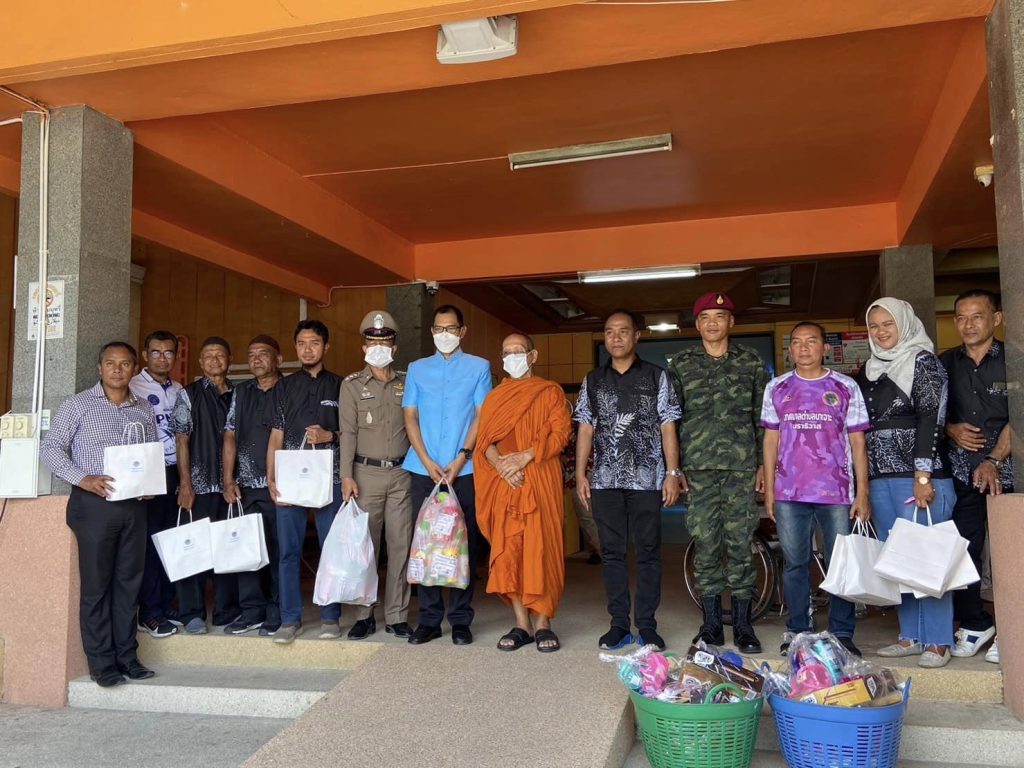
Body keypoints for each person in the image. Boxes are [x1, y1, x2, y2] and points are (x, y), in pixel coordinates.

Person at [40, 341, 158, 687]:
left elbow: (149, 454)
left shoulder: (143, 409)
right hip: (94, 506)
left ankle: (127, 657)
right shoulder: (78, 405)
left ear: (134, 368)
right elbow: (50, 448)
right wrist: (83, 478)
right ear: (100, 368)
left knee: (129, 584)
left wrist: (150, 482)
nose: (117, 370)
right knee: (97, 587)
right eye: (110, 363)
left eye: (125, 364)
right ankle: (102, 663)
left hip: (134, 505)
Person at [667, 292, 769, 654]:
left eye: (720, 316)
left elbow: (763, 417)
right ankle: (710, 625)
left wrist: (763, 464)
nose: (713, 323)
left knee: (740, 543)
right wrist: (674, 468)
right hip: (698, 468)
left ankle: (743, 625)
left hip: (741, 467)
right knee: (706, 543)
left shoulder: (750, 362)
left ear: (731, 322)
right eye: (706, 317)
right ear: (697, 325)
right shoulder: (681, 364)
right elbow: (671, 420)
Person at [857, 297, 956, 668]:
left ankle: (938, 640)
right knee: (899, 558)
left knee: (927, 557)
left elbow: (932, 417)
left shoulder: (923, 361)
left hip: (918, 478)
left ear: (904, 324)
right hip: (880, 477)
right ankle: (910, 635)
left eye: (888, 324)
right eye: (874, 326)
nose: (881, 332)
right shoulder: (868, 368)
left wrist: (923, 474)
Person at [761, 321, 871, 657]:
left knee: (840, 563)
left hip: (836, 493)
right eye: (797, 342)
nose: (804, 348)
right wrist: (769, 491)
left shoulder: (845, 386)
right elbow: (770, 440)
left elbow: (858, 442)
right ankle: (798, 629)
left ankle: (842, 632)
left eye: (811, 341)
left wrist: (862, 492)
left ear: (824, 348)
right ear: (790, 349)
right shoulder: (777, 388)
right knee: (796, 563)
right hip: (789, 493)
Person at [575, 310, 682, 652]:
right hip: (605, 480)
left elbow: (668, 426)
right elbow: (585, 428)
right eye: (609, 332)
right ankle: (619, 625)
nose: (616, 338)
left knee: (649, 553)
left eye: (623, 331)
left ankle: (647, 626)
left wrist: (672, 473)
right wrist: (580, 473)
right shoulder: (593, 380)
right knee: (612, 554)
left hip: (647, 479)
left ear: (637, 336)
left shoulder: (656, 376)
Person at [475, 333, 572, 652]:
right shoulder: (495, 397)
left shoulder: (550, 391)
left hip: (540, 476)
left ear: (533, 356)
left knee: (542, 550)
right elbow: (484, 442)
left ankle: (543, 623)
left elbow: (561, 434)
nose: (512, 357)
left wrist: (526, 456)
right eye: (507, 352)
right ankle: (522, 624)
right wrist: (503, 466)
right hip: (506, 482)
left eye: (519, 351)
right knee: (510, 552)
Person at [402, 304, 491, 646]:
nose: (444, 334)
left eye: (451, 328)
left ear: (462, 331)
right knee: (426, 542)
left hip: (464, 469)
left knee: (462, 542)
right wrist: (426, 460)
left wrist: (462, 456)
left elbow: (481, 415)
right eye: (439, 328)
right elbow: (410, 416)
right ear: (431, 332)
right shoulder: (417, 368)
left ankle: (460, 619)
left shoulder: (479, 367)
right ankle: (428, 619)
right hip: (423, 469)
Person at [940, 289, 1012, 664]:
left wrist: (994, 459)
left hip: (1008, 473)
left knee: (1008, 554)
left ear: (996, 319)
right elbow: (930, 413)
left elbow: (1020, 417)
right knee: (963, 549)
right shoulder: (944, 363)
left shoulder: (1015, 361)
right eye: (961, 318)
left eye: (977, 316)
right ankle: (974, 623)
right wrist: (951, 429)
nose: (968, 325)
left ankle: (1011, 628)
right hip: (960, 472)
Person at [267, 320, 343, 644]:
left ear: (326, 346)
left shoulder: (341, 386)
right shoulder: (284, 387)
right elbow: (276, 435)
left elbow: (352, 433)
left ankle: (330, 616)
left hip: (331, 478)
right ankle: (290, 619)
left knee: (331, 548)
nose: (307, 349)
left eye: (314, 343)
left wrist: (330, 435)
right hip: (292, 478)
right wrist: (272, 477)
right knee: (288, 551)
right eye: (301, 343)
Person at [339, 311, 414, 640]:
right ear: (363, 348)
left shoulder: (407, 382)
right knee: (365, 548)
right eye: (372, 343)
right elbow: (348, 433)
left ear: (394, 349)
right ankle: (364, 614)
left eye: (384, 344)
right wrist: (346, 475)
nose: (378, 349)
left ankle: (397, 615)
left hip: (401, 474)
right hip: (364, 474)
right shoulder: (352, 385)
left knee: (400, 546)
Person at [171, 337, 237, 635]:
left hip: (231, 486)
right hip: (198, 485)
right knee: (193, 550)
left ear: (229, 360)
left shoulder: (239, 393)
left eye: (220, 355)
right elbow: (181, 439)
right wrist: (185, 483)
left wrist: (231, 480)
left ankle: (225, 611)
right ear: (200, 362)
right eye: (208, 355)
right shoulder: (188, 395)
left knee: (228, 549)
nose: (214, 360)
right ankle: (192, 613)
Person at [222, 335, 285, 636]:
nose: (256, 359)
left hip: (280, 486)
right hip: (245, 486)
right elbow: (230, 435)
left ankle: (277, 609)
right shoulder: (242, 392)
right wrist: (228, 478)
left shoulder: (289, 389)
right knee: (247, 550)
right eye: (251, 354)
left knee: (278, 549)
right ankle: (251, 611)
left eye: (263, 353)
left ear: (278, 359)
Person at [129, 330, 182, 638]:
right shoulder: (132, 386)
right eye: (156, 352)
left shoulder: (179, 389)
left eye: (168, 352)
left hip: (176, 471)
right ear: (145, 355)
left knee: (169, 538)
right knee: (149, 542)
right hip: (149, 472)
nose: (163, 358)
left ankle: (164, 601)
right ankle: (148, 611)